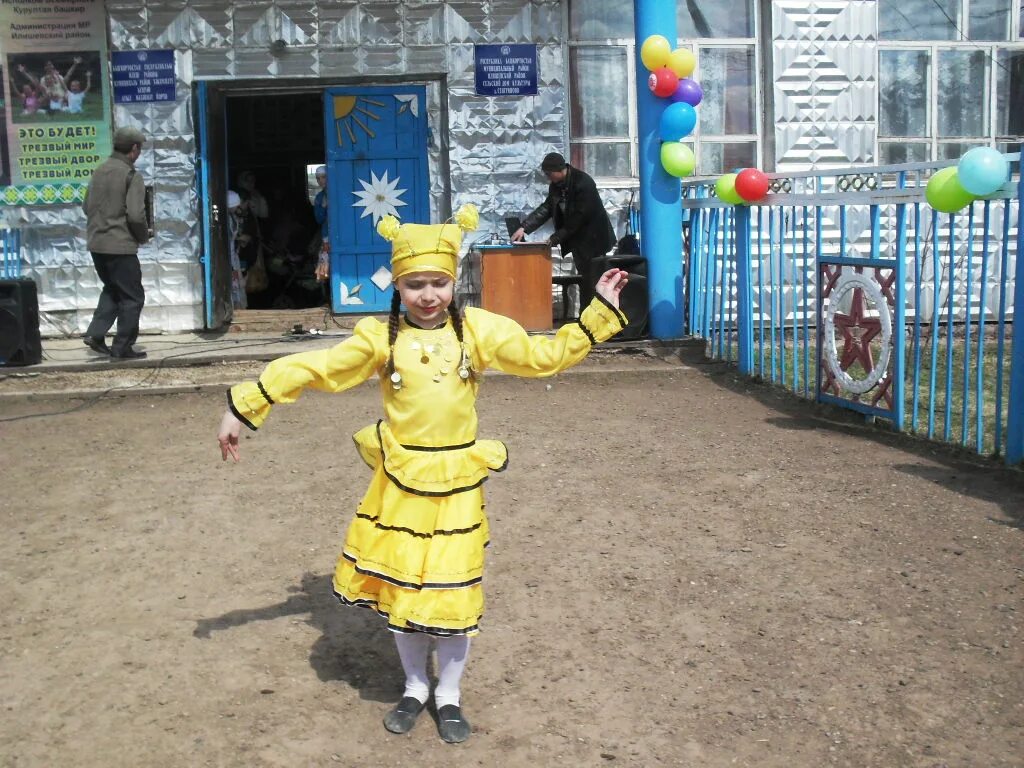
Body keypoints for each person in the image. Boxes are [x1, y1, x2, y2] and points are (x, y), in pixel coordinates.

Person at [216, 203, 628, 744]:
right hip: (400, 486)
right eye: (415, 285)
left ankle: (449, 694)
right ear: (398, 287)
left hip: (457, 486)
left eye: (438, 282)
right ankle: (414, 686)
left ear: (453, 282)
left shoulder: (476, 330)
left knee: (453, 595)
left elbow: (540, 356)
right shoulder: (378, 338)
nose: (428, 295)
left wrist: (596, 315)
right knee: (406, 593)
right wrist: (244, 405)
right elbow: (316, 368)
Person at [511, 151, 616, 310]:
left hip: (594, 239)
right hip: (578, 241)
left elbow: (578, 220)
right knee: (586, 279)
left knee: (593, 281)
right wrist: (524, 227)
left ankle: (595, 317)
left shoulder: (583, 183)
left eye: (549, 173)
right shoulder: (556, 186)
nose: (547, 177)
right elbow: (547, 208)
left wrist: (555, 238)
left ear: (559, 169)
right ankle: (587, 317)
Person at [82, 126, 151, 360]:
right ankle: (122, 347)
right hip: (120, 246)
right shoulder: (131, 175)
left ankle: (96, 333)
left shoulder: (99, 171)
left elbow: (86, 207)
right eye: (139, 148)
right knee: (133, 297)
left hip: (96, 244)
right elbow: (135, 215)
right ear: (134, 149)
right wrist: (142, 237)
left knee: (113, 289)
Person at [227, 190, 247, 310]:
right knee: (234, 285)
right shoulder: (228, 219)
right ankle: (236, 308)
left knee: (237, 284)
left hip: (233, 254)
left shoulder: (231, 217)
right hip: (230, 256)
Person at [312, 165, 330, 282]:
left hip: (341, 234)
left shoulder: (339, 192)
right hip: (326, 236)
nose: (320, 181)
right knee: (326, 268)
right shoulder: (319, 197)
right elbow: (319, 219)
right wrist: (323, 207)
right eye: (318, 178)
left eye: (323, 177)